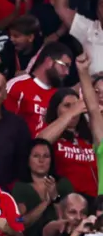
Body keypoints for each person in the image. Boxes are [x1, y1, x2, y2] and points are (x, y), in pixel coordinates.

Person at [36, 54, 103, 199]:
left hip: (95, 201)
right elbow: (40, 143)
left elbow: (93, 110)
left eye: (75, 105)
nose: (74, 110)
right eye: (67, 106)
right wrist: (71, 112)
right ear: (56, 109)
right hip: (66, 201)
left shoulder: (89, 137)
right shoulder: (52, 133)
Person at [5, 41, 72, 136]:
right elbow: (4, 123)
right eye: (64, 66)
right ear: (49, 61)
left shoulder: (60, 95)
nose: (67, 72)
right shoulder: (17, 86)